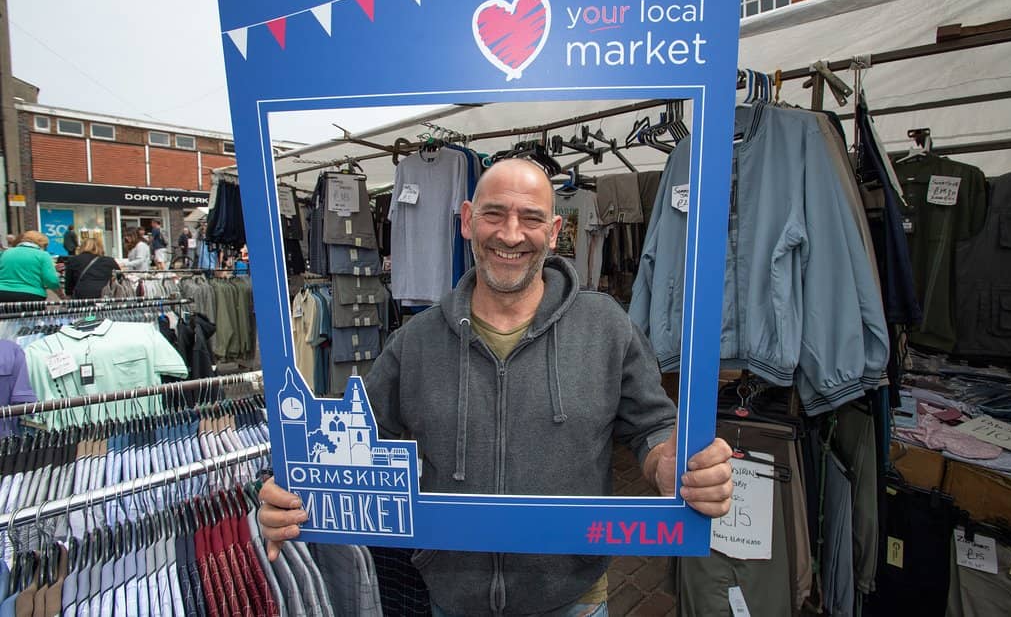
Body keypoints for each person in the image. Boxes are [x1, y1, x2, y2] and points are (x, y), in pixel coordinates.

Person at [259, 159, 733, 616]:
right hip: (453, 598)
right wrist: (293, 492)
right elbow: (354, 439)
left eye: (531, 218)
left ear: (554, 231)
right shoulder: (416, 342)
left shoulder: (605, 327)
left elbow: (651, 426)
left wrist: (668, 464)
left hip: (575, 597)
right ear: (467, 220)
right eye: (494, 214)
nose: (510, 234)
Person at [0, 230, 63, 302]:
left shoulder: (5, 253)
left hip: (2, 292)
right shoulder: (43, 255)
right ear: (42, 243)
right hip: (31, 294)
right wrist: (61, 295)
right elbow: (51, 280)